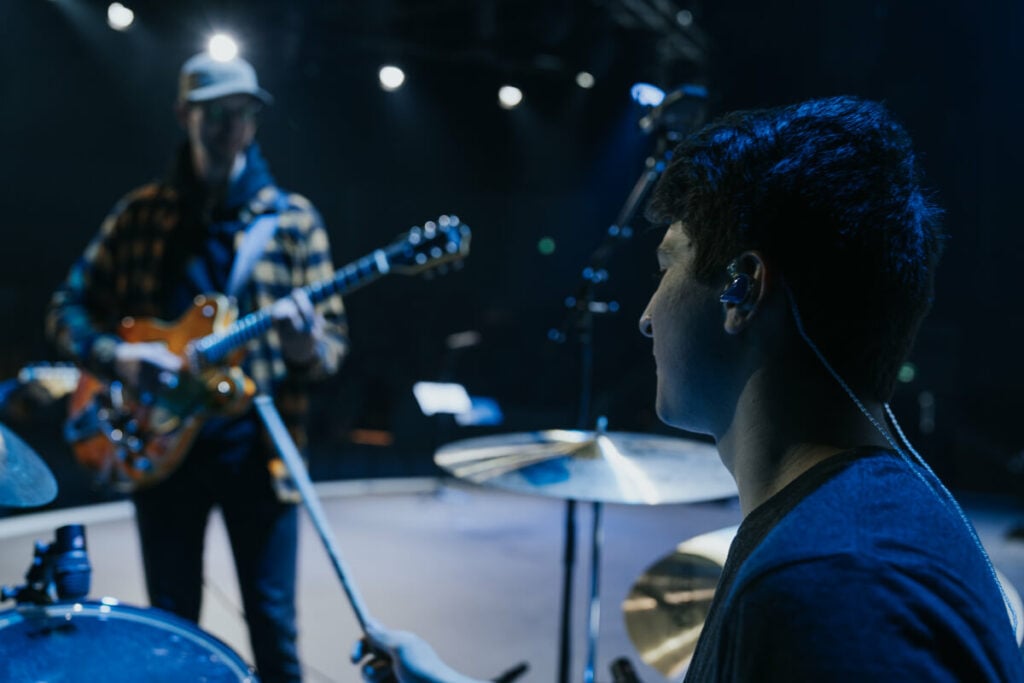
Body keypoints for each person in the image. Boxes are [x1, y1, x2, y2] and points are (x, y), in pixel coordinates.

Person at [352, 96, 1024, 680]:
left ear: (742, 288)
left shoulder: (830, 587)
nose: (646, 316)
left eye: (667, 265)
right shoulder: (864, 520)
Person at [46, 52, 348, 682]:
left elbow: (329, 353)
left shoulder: (292, 223)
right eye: (214, 112)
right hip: (157, 448)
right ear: (185, 115)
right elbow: (67, 307)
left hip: (258, 456)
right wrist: (120, 356)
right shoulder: (141, 215)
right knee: (170, 627)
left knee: (274, 628)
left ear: (254, 121)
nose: (229, 124)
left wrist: (303, 346)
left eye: (242, 112)